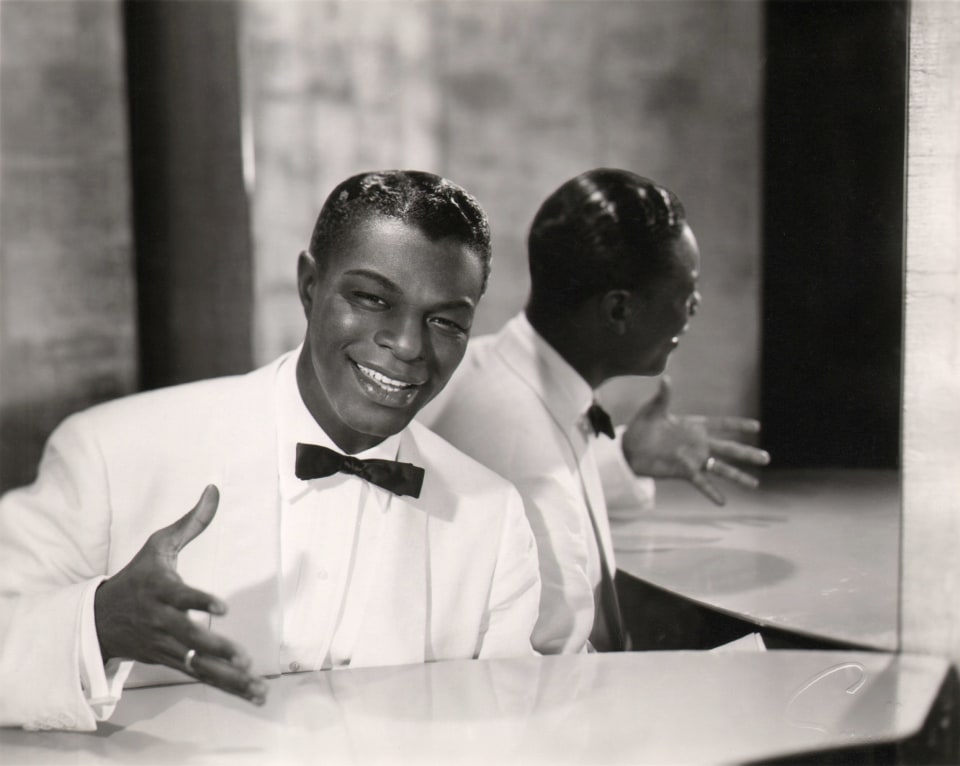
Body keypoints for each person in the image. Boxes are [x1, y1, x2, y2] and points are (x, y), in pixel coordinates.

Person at [0, 170, 542, 732]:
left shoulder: (492, 518)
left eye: (445, 322)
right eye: (373, 299)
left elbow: (506, 723)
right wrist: (98, 623)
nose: (407, 346)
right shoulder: (109, 453)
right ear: (310, 287)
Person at [420, 168, 770, 654]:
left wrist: (624, 454)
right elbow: (553, 671)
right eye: (684, 291)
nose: (695, 305)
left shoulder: (494, 367)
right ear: (619, 310)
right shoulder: (525, 455)